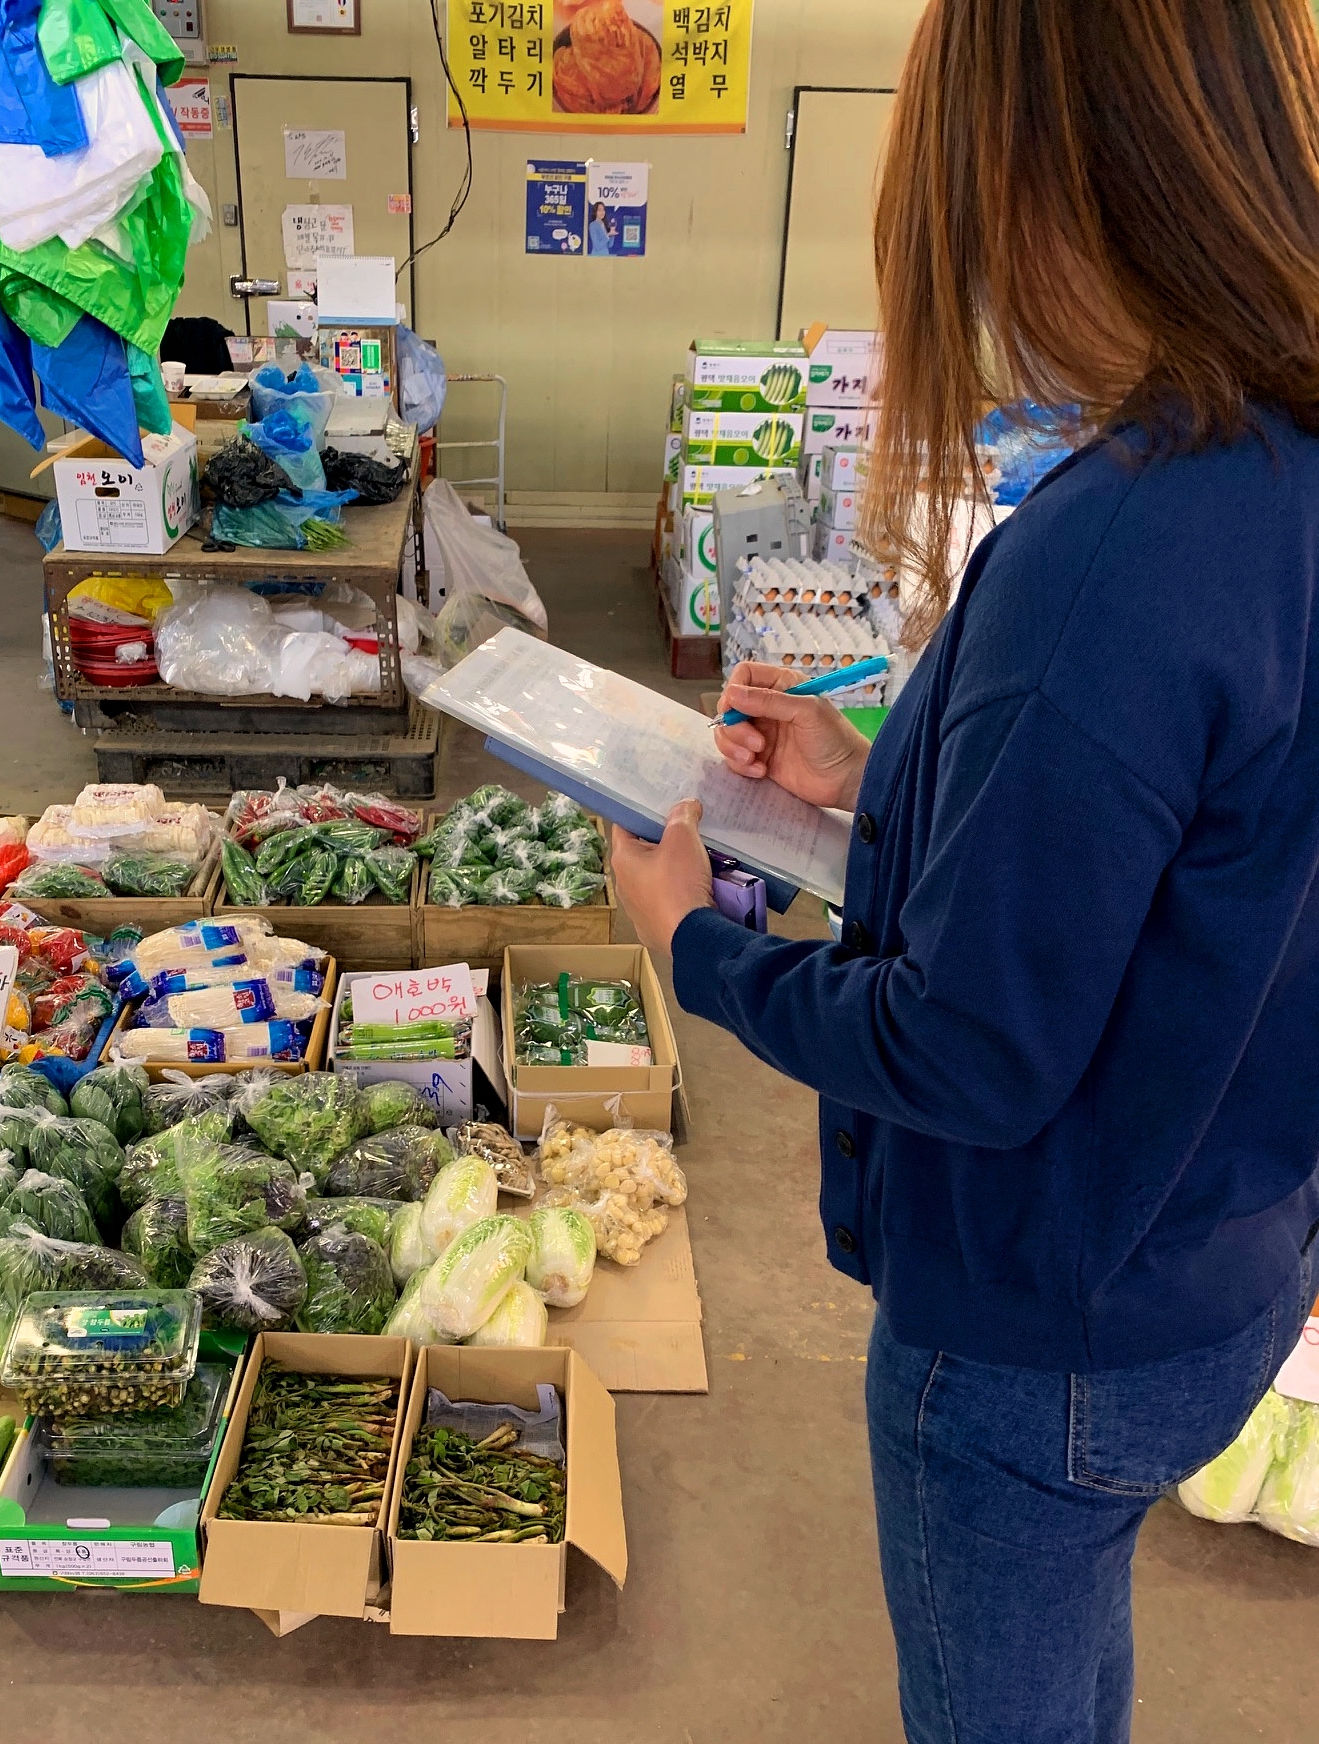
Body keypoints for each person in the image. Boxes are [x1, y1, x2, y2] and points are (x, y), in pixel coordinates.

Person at [610, 3, 1319, 1740]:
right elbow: (1183, 881)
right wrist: (880, 796)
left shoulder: (1118, 545)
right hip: (1220, 1253)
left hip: (1036, 1324)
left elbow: (971, 1054)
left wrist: (695, 952)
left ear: (1039, 186)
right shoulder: (1274, 477)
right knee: (1069, 1634)